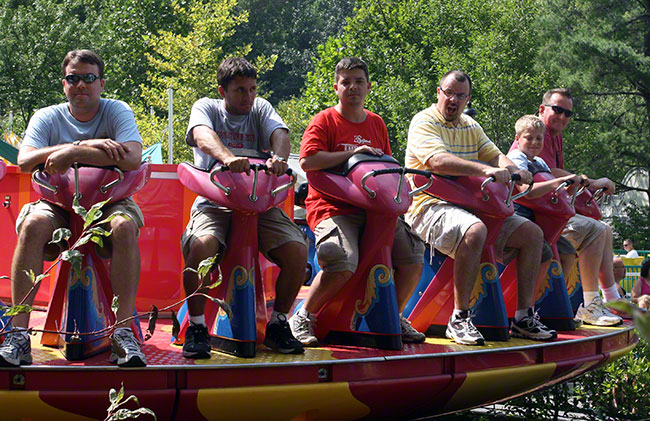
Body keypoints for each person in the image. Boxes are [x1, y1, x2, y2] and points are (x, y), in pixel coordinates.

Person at [0, 50, 146, 367]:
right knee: (31, 225)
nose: (81, 84)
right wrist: (79, 148)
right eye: (73, 78)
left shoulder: (117, 111)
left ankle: (122, 334)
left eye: (88, 78)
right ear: (64, 84)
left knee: (123, 226)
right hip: (57, 202)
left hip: (110, 201)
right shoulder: (47, 116)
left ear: (101, 83)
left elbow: (133, 156)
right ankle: (19, 333)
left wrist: (69, 156)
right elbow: (25, 161)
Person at [405, 71, 557, 346]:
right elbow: (437, 161)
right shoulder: (423, 121)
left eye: (460, 95)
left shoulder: (470, 126)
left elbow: (495, 154)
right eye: (448, 93)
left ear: (468, 99)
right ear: (438, 92)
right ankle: (459, 317)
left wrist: (514, 170)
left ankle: (523, 316)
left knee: (533, 235)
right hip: (429, 204)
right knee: (475, 230)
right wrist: (486, 169)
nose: (453, 99)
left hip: (471, 204)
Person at [290, 57, 426, 347]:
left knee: (414, 256)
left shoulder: (376, 123)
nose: (353, 87)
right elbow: (308, 160)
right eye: (346, 82)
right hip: (333, 207)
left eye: (359, 81)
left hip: (376, 210)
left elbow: (386, 167)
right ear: (337, 87)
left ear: (368, 87)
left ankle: (395, 315)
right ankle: (304, 315)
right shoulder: (324, 121)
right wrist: (350, 154)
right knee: (342, 259)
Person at [181, 57, 307, 357]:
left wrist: (278, 157)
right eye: (240, 90)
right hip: (216, 200)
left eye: (252, 89)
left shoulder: (261, 107)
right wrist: (226, 158)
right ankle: (196, 326)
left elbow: (281, 134)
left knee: (298, 250)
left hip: (258, 202)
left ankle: (278, 323)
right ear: (222, 90)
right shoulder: (207, 107)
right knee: (201, 245)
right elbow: (202, 135)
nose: (248, 97)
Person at [510, 88, 623, 326]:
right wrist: (583, 181)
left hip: (545, 213)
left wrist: (574, 182)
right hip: (529, 214)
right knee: (594, 230)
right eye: (557, 110)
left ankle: (599, 300)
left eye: (568, 113)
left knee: (600, 230)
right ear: (542, 109)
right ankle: (584, 303)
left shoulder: (545, 144)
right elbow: (534, 183)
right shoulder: (524, 151)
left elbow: (548, 173)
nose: (562, 116)